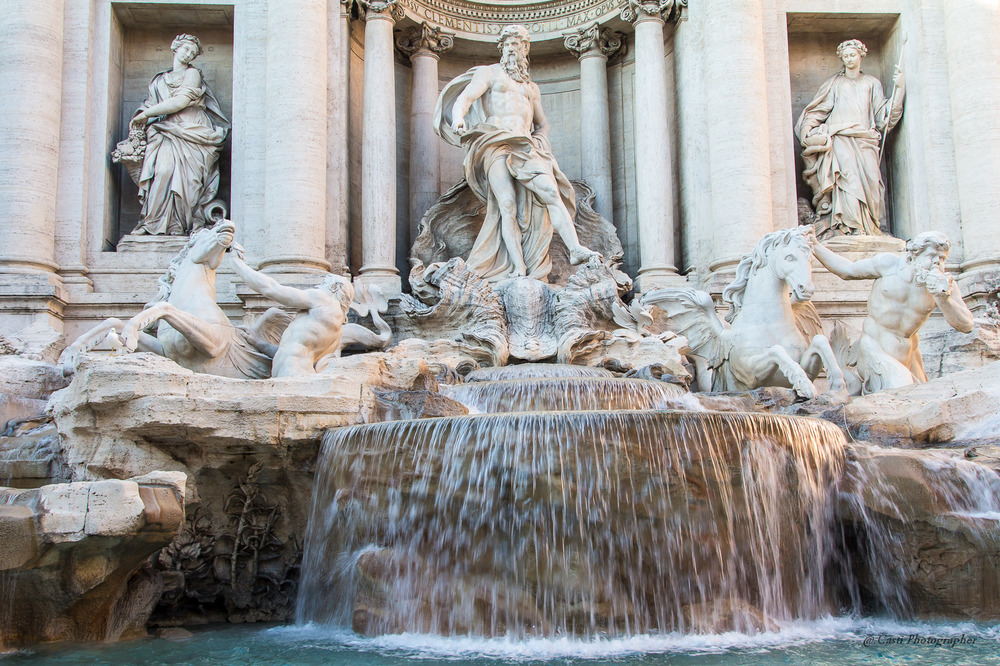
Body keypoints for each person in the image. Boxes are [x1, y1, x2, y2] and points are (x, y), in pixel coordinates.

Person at [433, 25, 599, 283]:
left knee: (552, 192)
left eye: (518, 44)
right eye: (508, 44)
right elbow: (464, 99)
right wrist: (458, 120)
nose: (513, 48)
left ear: (525, 50)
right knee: (507, 205)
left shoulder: (531, 88)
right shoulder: (490, 74)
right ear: (502, 48)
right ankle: (518, 268)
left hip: (525, 146)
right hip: (495, 143)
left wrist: (540, 141)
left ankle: (575, 249)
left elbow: (542, 123)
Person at [806, 227, 974, 393]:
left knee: (922, 402)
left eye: (942, 259)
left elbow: (966, 325)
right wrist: (815, 246)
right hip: (874, 348)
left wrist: (944, 299)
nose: (937, 263)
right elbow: (847, 270)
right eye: (931, 256)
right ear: (913, 256)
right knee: (903, 394)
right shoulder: (888, 265)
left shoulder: (945, 287)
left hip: (910, 356)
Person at [794, 39, 904, 238]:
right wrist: (807, 131)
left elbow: (883, 117)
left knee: (872, 181)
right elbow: (817, 111)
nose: (849, 59)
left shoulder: (872, 83)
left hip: (865, 140)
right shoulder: (835, 83)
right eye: (845, 56)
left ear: (861, 56)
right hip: (841, 139)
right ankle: (847, 228)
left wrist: (900, 90)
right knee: (848, 181)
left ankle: (870, 227)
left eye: (852, 55)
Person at [129, 34, 229, 235]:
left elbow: (180, 102)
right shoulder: (159, 80)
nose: (188, 54)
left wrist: (147, 114)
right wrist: (142, 116)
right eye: (186, 49)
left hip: (191, 129)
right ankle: (152, 223)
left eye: (192, 52)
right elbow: (150, 104)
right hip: (165, 130)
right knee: (163, 171)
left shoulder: (192, 74)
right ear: (175, 47)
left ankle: (179, 226)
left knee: (188, 180)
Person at [229, 254, 354, 378]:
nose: (319, 287)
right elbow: (288, 351)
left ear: (334, 287)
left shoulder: (323, 299)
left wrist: (237, 264)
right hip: (298, 373)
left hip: (292, 372)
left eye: (323, 283)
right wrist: (258, 343)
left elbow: (271, 288)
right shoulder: (337, 332)